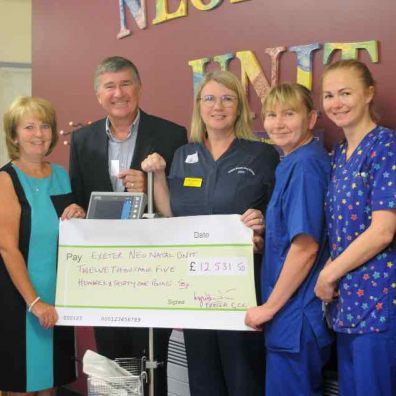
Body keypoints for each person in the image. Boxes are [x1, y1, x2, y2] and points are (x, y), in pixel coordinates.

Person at [142, 70, 279, 396]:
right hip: (195, 290)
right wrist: (159, 177)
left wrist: (262, 226)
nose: (218, 106)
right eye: (210, 99)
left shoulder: (262, 155)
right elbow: (172, 214)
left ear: (240, 107)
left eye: (227, 98)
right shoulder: (183, 156)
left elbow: (278, 217)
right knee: (203, 380)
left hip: (242, 289)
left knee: (243, 376)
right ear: (199, 106)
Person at [69, 56, 187, 395]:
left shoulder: (171, 134)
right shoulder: (82, 139)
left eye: (125, 84)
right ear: (98, 95)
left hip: (154, 268)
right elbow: (78, 196)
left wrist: (150, 189)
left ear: (139, 88)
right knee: (113, 360)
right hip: (104, 271)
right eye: (110, 86)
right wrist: (75, 207)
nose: (118, 93)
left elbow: (178, 204)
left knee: (154, 359)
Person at [245, 83, 333, 395]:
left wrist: (269, 308)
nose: (278, 123)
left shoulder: (306, 165)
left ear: (311, 119)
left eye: (289, 114)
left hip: (295, 315)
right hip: (292, 314)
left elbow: (306, 246)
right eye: (271, 115)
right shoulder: (292, 162)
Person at [315, 59, 396, 396]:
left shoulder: (386, 148)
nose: (337, 103)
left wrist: (329, 273)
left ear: (368, 94)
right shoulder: (338, 154)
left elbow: (383, 230)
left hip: (379, 302)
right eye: (329, 95)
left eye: (346, 92)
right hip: (345, 304)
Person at [0, 96, 85, 395]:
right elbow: (7, 248)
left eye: (45, 126)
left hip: (58, 299)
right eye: (29, 127)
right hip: (20, 301)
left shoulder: (61, 175)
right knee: (22, 384)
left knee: (50, 383)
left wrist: (81, 214)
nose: (39, 133)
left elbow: (67, 233)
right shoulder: (5, 179)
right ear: (14, 135)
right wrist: (35, 303)